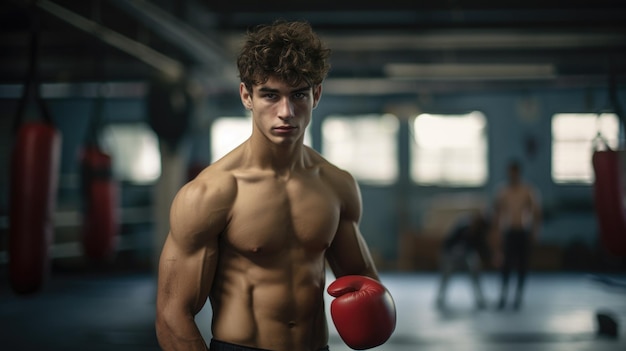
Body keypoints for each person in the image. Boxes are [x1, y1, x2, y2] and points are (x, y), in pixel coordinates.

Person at [155, 20, 395, 351]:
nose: (286, 112)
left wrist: (373, 312)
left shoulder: (337, 186)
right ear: (246, 96)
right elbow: (172, 315)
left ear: (317, 95)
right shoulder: (211, 193)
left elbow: (363, 283)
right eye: (270, 95)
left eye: (299, 95)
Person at [492, 159, 542, 310]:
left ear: (519, 173)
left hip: (522, 232)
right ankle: (503, 295)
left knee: (522, 265)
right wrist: (496, 233)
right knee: (505, 266)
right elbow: (497, 213)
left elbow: (536, 212)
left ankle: (518, 297)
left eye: (515, 172)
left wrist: (534, 231)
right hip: (508, 232)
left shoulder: (527, 190)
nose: (512, 175)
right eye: (510, 172)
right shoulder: (502, 191)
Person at [435, 211, 490, 310]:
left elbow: (481, 247)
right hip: (452, 254)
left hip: (466, 255)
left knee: (475, 270)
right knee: (446, 274)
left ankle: (480, 299)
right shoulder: (463, 226)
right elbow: (448, 243)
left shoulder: (478, 232)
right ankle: (440, 298)